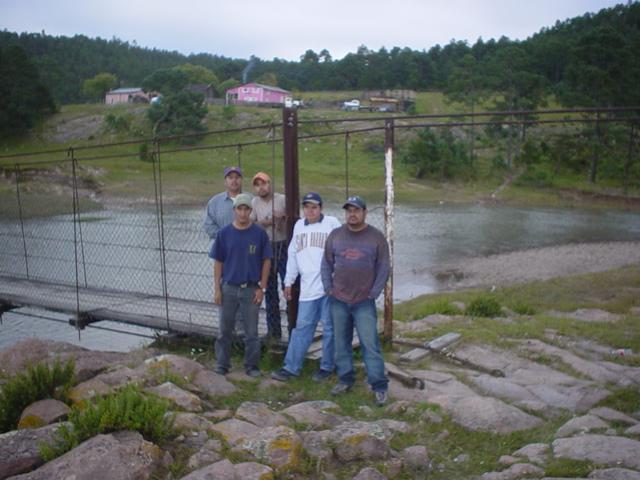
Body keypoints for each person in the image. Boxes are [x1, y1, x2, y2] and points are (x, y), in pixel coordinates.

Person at [321, 195, 391, 406]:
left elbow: (384, 267)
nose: (352, 214)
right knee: (341, 344)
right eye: (349, 210)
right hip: (338, 299)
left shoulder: (376, 237)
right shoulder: (335, 235)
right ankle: (345, 379)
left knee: (370, 344)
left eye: (356, 210)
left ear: (364, 213)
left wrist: (375, 292)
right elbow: (326, 264)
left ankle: (379, 385)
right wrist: (328, 288)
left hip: (364, 301)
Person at [271, 192, 342, 383]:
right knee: (301, 328)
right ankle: (291, 367)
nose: (310, 210)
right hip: (307, 288)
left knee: (329, 328)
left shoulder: (332, 223)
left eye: (314, 207)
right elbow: (293, 254)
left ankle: (327, 367)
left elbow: (342, 249)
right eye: (307, 207)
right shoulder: (299, 226)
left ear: (321, 208)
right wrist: (288, 281)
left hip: (329, 287)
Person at [210, 193, 272, 377]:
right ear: (234, 210)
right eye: (240, 209)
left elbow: (266, 261)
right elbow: (218, 262)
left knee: (252, 331)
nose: (243, 213)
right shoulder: (224, 234)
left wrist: (263, 288)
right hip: (228, 287)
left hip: (251, 288)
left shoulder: (259, 234)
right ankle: (222, 364)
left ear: (250, 211)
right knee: (224, 330)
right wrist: (217, 289)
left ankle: (251, 366)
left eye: (246, 209)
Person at [250, 172, 287, 340]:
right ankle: (274, 331)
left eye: (264, 184)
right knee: (269, 290)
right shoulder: (254, 202)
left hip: (283, 245)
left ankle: (294, 328)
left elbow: (295, 218)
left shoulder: (282, 199)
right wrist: (263, 223)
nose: (261, 187)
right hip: (265, 249)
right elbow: (250, 223)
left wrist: (282, 218)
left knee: (289, 287)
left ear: (270, 184)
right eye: (257, 185)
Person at [203, 166, 243, 243]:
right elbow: (208, 225)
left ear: (241, 180)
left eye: (237, 177)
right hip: (222, 247)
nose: (234, 180)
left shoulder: (251, 199)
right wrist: (225, 236)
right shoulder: (214, 202)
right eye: (230, 178)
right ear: (225, 181)